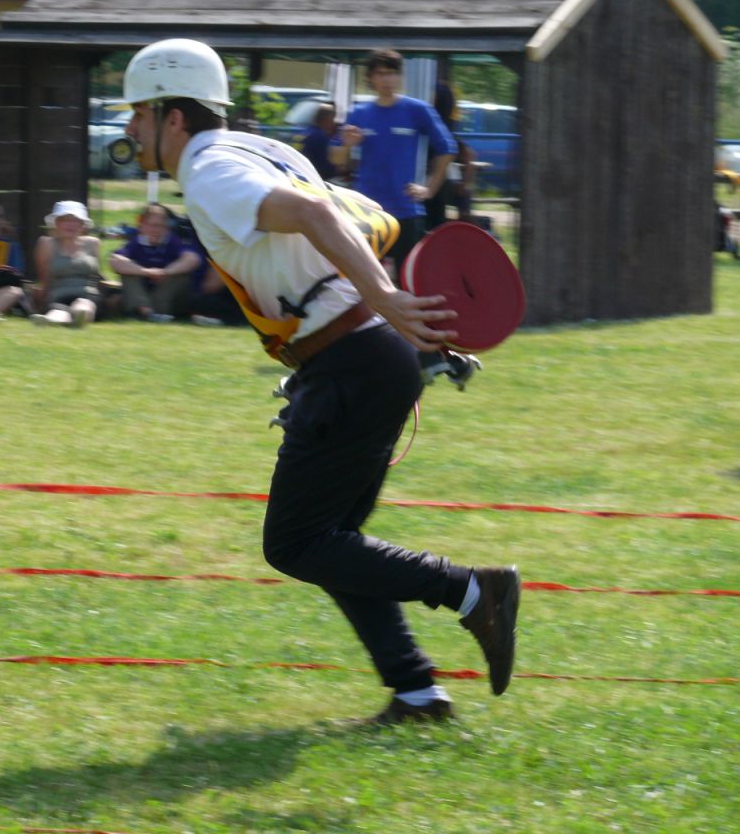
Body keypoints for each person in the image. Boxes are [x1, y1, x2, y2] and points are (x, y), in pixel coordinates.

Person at [121, 38, 520, 725]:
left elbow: (315, 216)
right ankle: (417, 693)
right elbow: (336, 227)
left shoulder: (210, 168)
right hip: (363, 354)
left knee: (297, 543)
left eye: (138, 114)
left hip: (354, 357)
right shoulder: (260, 150)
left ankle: (472, 593)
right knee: (335, 544)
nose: (130, 128)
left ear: (173, 117)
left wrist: (384, 301)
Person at [334, 49, 457, 280]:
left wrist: (429, 189)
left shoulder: (418, 110)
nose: (387, 80)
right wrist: (347, 146)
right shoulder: (358, 112)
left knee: (408, 279)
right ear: (370, 78)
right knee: (364, 279)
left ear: (400, 76)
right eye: (380, 74)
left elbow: (447, 149)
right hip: (366, 211)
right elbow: (336, 158)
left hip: (406, 209)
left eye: (391, 73)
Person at [108, 202, 201, 322]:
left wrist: (165, 272)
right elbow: (115, 260)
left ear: (166, 228)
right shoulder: (136, 242)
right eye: (151, 225)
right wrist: (146, 272)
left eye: (160, 226)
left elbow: (192, 259)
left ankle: (152, 312)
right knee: (128, 273)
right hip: (142, 293)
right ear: (142, 226)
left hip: (167, 296)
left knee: (181, 276)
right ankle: (146, 311)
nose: (155, 230)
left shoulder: (173, 241)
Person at [31, 200, 102, 327]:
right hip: (58, 295)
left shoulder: (93, 243)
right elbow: (44, 279)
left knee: (82, 305)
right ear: (56, 223)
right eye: (65, 220)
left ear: (82, 224)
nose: (71, 225)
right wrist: (40, 301)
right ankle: (53, 321)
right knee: (58, 310)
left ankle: (79, 318)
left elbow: (97, 275)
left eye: (76, 221)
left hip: (87, 294)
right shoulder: (46, 244)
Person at [425, 80, 478, 229]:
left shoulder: (441, 129)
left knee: (447, 193)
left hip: (439, 181)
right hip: (439, 181)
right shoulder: (445, 129)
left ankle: (462, 223)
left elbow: (469, 156)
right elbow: (469, 156)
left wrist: (464, 184)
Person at [300, 101, 341, 183]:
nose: (334, 123)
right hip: (313, 178)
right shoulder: (320, 136)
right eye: (333, 119)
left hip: (300, 173)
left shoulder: (305, 132)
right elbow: (325, 166)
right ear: (327, 120)